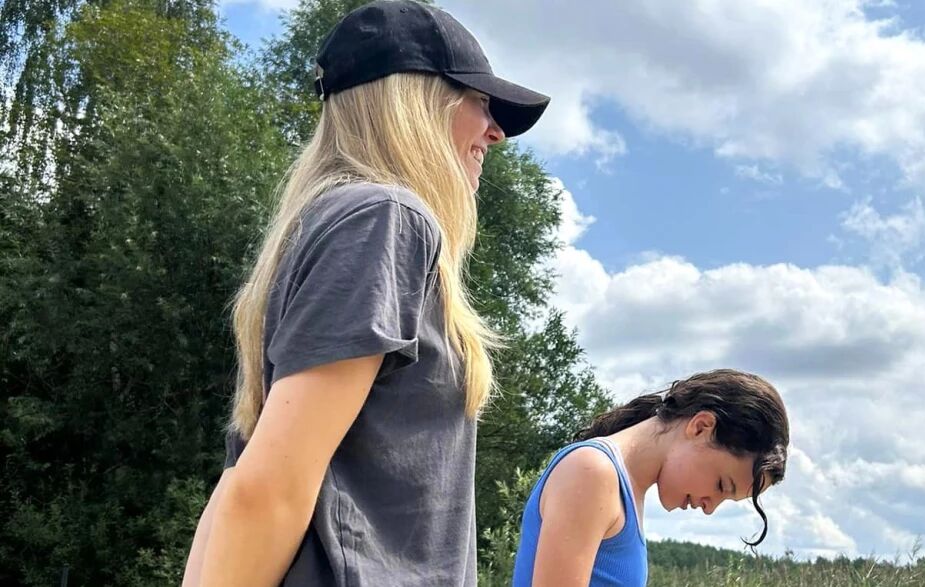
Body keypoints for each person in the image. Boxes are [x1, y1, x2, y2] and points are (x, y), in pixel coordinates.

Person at [180, 1, 549, 585]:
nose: (495, 131)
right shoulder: (386, 218)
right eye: (480, 101)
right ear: (416, 101)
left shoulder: (330, 225)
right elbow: (267, 490)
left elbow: (241, 477)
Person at [512, 369, 790, 586]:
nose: (710, 507)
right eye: (721, 485)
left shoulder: (623, 489)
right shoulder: (592, 471)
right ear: (701, 427)